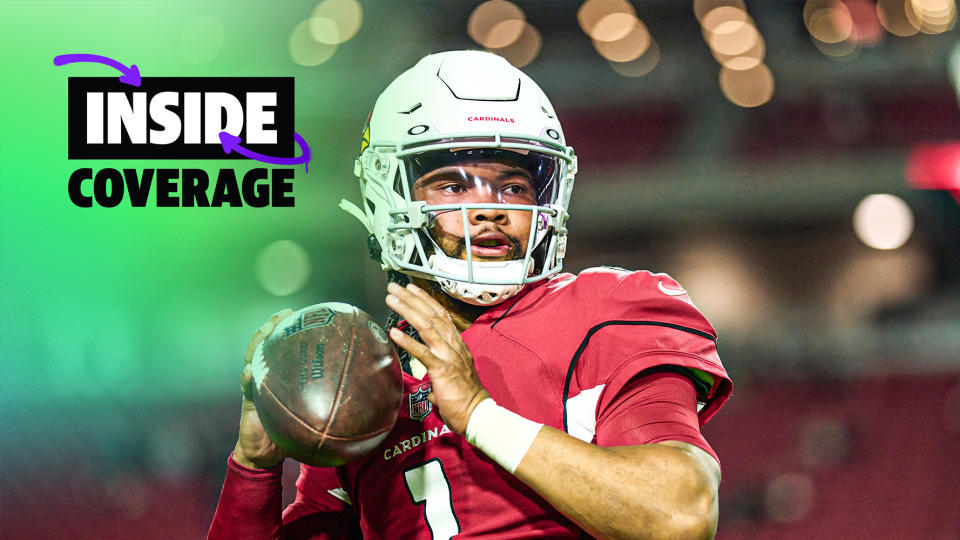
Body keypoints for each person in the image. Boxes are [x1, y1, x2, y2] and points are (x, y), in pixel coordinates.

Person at [208, 50, 732, 540]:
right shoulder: (365, 371)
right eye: (453, 186)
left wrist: (478, 414)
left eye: (514, 186)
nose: (491, 209)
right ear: (389, 197)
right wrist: (253, 468)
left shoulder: (608, 309)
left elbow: (679, 514)